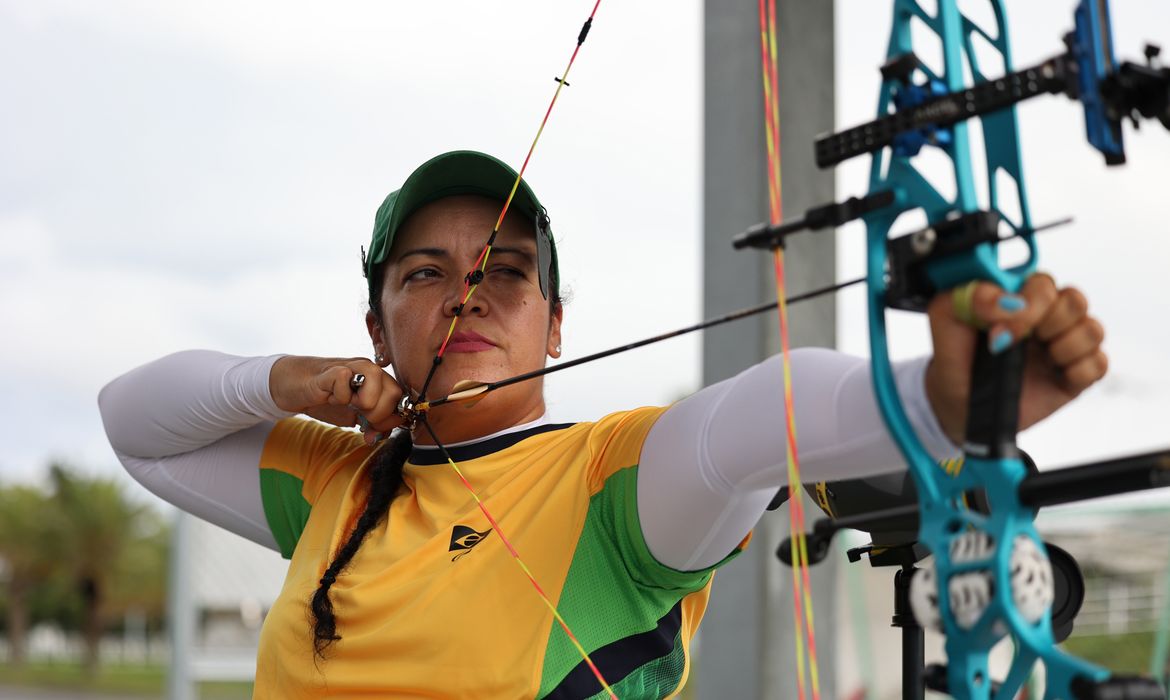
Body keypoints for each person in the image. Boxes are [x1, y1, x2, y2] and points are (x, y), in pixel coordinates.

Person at [98, 150, 1107, 699]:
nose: (468, 296)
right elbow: (133, 420)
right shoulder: (336, 479)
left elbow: (754, 422)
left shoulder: (605, 481)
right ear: (377, 324)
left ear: (555, 322)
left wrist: (944, 400)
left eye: (506, 272)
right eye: (426, 274)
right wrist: (291, 379)